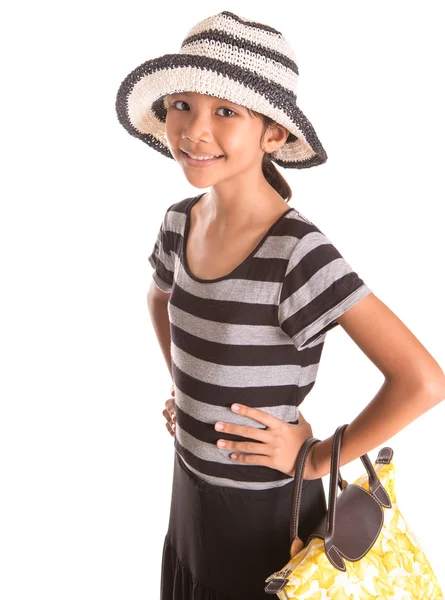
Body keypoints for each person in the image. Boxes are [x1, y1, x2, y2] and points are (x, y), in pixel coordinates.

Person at [115, 10, 445, 600]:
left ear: (273, 135)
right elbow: (158, 297)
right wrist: (186, 392)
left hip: (266, 514)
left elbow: (422, 380)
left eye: (225, 112)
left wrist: (316, 457)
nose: (193, 129)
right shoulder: (177, 222)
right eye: (181, 105)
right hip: (188, 488)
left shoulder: (298, 253)